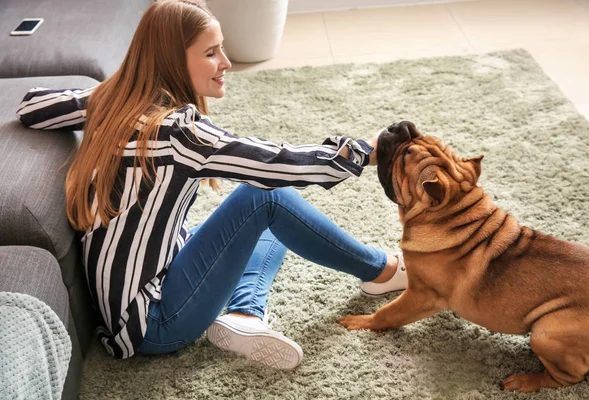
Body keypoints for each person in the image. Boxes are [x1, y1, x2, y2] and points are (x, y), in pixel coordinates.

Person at [16, 0, 407, 369]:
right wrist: (362, 152)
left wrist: (100, 94)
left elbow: (31, 105)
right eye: (210, 53)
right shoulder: (177, 133)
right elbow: (276, 162)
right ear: (171, 60)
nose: (226, 63)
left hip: (145, 289)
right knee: (265, 196)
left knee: (269, 215)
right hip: (153, 323)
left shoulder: (112, 101)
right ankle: (382, 272)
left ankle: (244, 315)